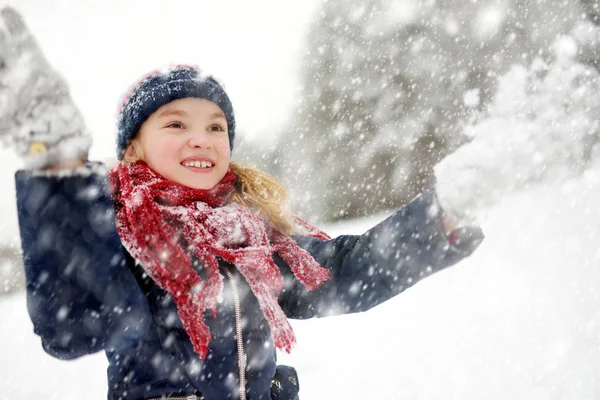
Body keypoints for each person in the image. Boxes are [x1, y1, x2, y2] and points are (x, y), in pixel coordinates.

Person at [3, 12, 483, 398]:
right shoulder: (120, 230)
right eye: (175, 124)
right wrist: (61, 170)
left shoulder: (247, 238)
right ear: (133, 149)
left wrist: (443, 214)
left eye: (216, 127)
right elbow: (73, 328)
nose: (202, 139)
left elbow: (340, 273)